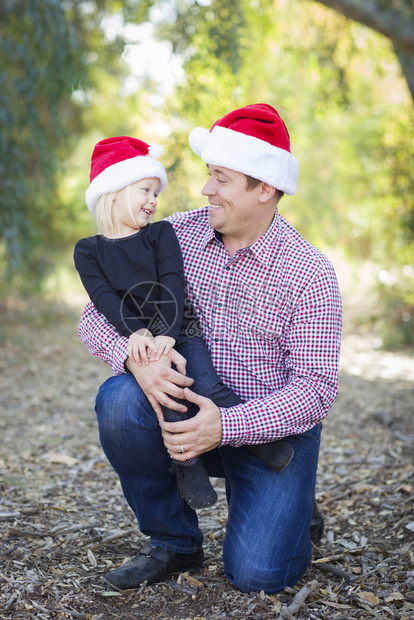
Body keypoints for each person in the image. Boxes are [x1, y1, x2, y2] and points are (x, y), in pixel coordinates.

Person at [77, 103, 342, 594]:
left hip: (271, 434)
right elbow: (94, 316)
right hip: (180, 413)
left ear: (264, 188)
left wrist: (226, 423)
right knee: (118, 402)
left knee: (259, 576)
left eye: (221, 179)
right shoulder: (174, 234)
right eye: (208, 176)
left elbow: (318, 389)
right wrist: (137, 362)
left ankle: (294, 504)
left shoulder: (309, 273)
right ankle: (174, 541)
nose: (205, 190)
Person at [74, 135, 294, 510]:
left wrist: (166, 336)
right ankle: (184, 478)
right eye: (145, 189)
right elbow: (100, 303)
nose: (153, 200)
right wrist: (135, 344)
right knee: (159, 399)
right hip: (143, 341)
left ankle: (260, 444)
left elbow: (173, 284)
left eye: (220, 178)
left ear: (264, 188)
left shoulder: (162, 233)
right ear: (114, 192)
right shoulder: (89, 250)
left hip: (182, 332)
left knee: (205, 383)